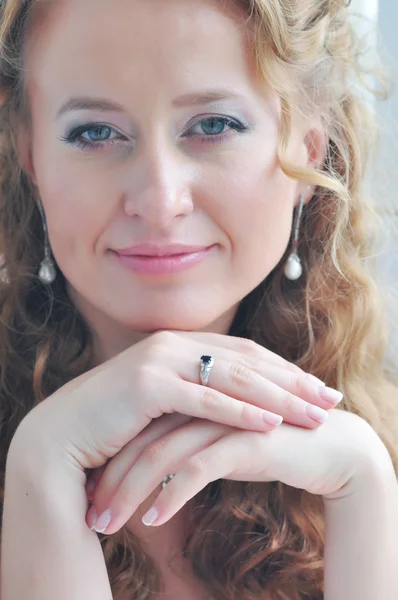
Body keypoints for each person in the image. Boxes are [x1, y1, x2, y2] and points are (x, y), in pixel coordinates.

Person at [0, 0, 397, 598]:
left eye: (213, 125)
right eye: (95, 132)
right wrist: (39, 467)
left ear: (307, 150)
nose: (160, 200)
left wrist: (365, 494)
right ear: (31, 157)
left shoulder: (379, 450)